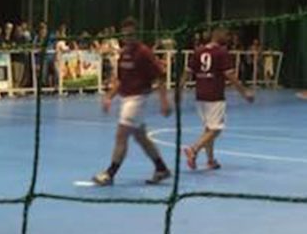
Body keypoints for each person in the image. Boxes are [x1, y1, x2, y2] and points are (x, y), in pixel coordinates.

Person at [93, 17, 172, 186]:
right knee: (141, 137)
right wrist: (109, 97)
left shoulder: (144, 52)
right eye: (125, 35)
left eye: (131, 35)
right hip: (126, 99)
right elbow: (121, 80)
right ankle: (161, 168)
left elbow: (160, 75)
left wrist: (164, 101)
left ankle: (110, 174)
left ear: (137, 34)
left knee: (121, 135)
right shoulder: (123, 54)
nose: (127, 38)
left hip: (138, 99)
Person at [181, 26, 253, 171]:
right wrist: (244, 92)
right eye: (226, 35)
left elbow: (187, 71)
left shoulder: (198, 51)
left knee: (209, 128)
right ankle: (193, 149)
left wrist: (179, 89)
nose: (228, 38)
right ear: (217, 35)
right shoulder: (221, 52)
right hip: (214, 95)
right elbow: (230, 75)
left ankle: (210, 160)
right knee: (216, 129)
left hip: (200, 94)